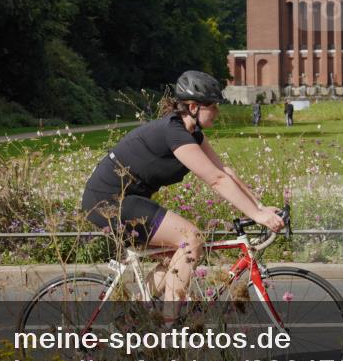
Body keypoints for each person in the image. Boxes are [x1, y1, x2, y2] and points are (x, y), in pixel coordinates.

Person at [81, 70, 284, 320]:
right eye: (213, 106)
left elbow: (224, 171)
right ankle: (169, 329)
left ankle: (133, 317)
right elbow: (216, 179)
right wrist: (255, 214)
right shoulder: (173, 132)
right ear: (193, 107)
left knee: (175, 256)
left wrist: (260, 208)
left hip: (128, 199)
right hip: (109, 200)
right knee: (191, 238)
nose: (218, 112)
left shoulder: (192, 134)